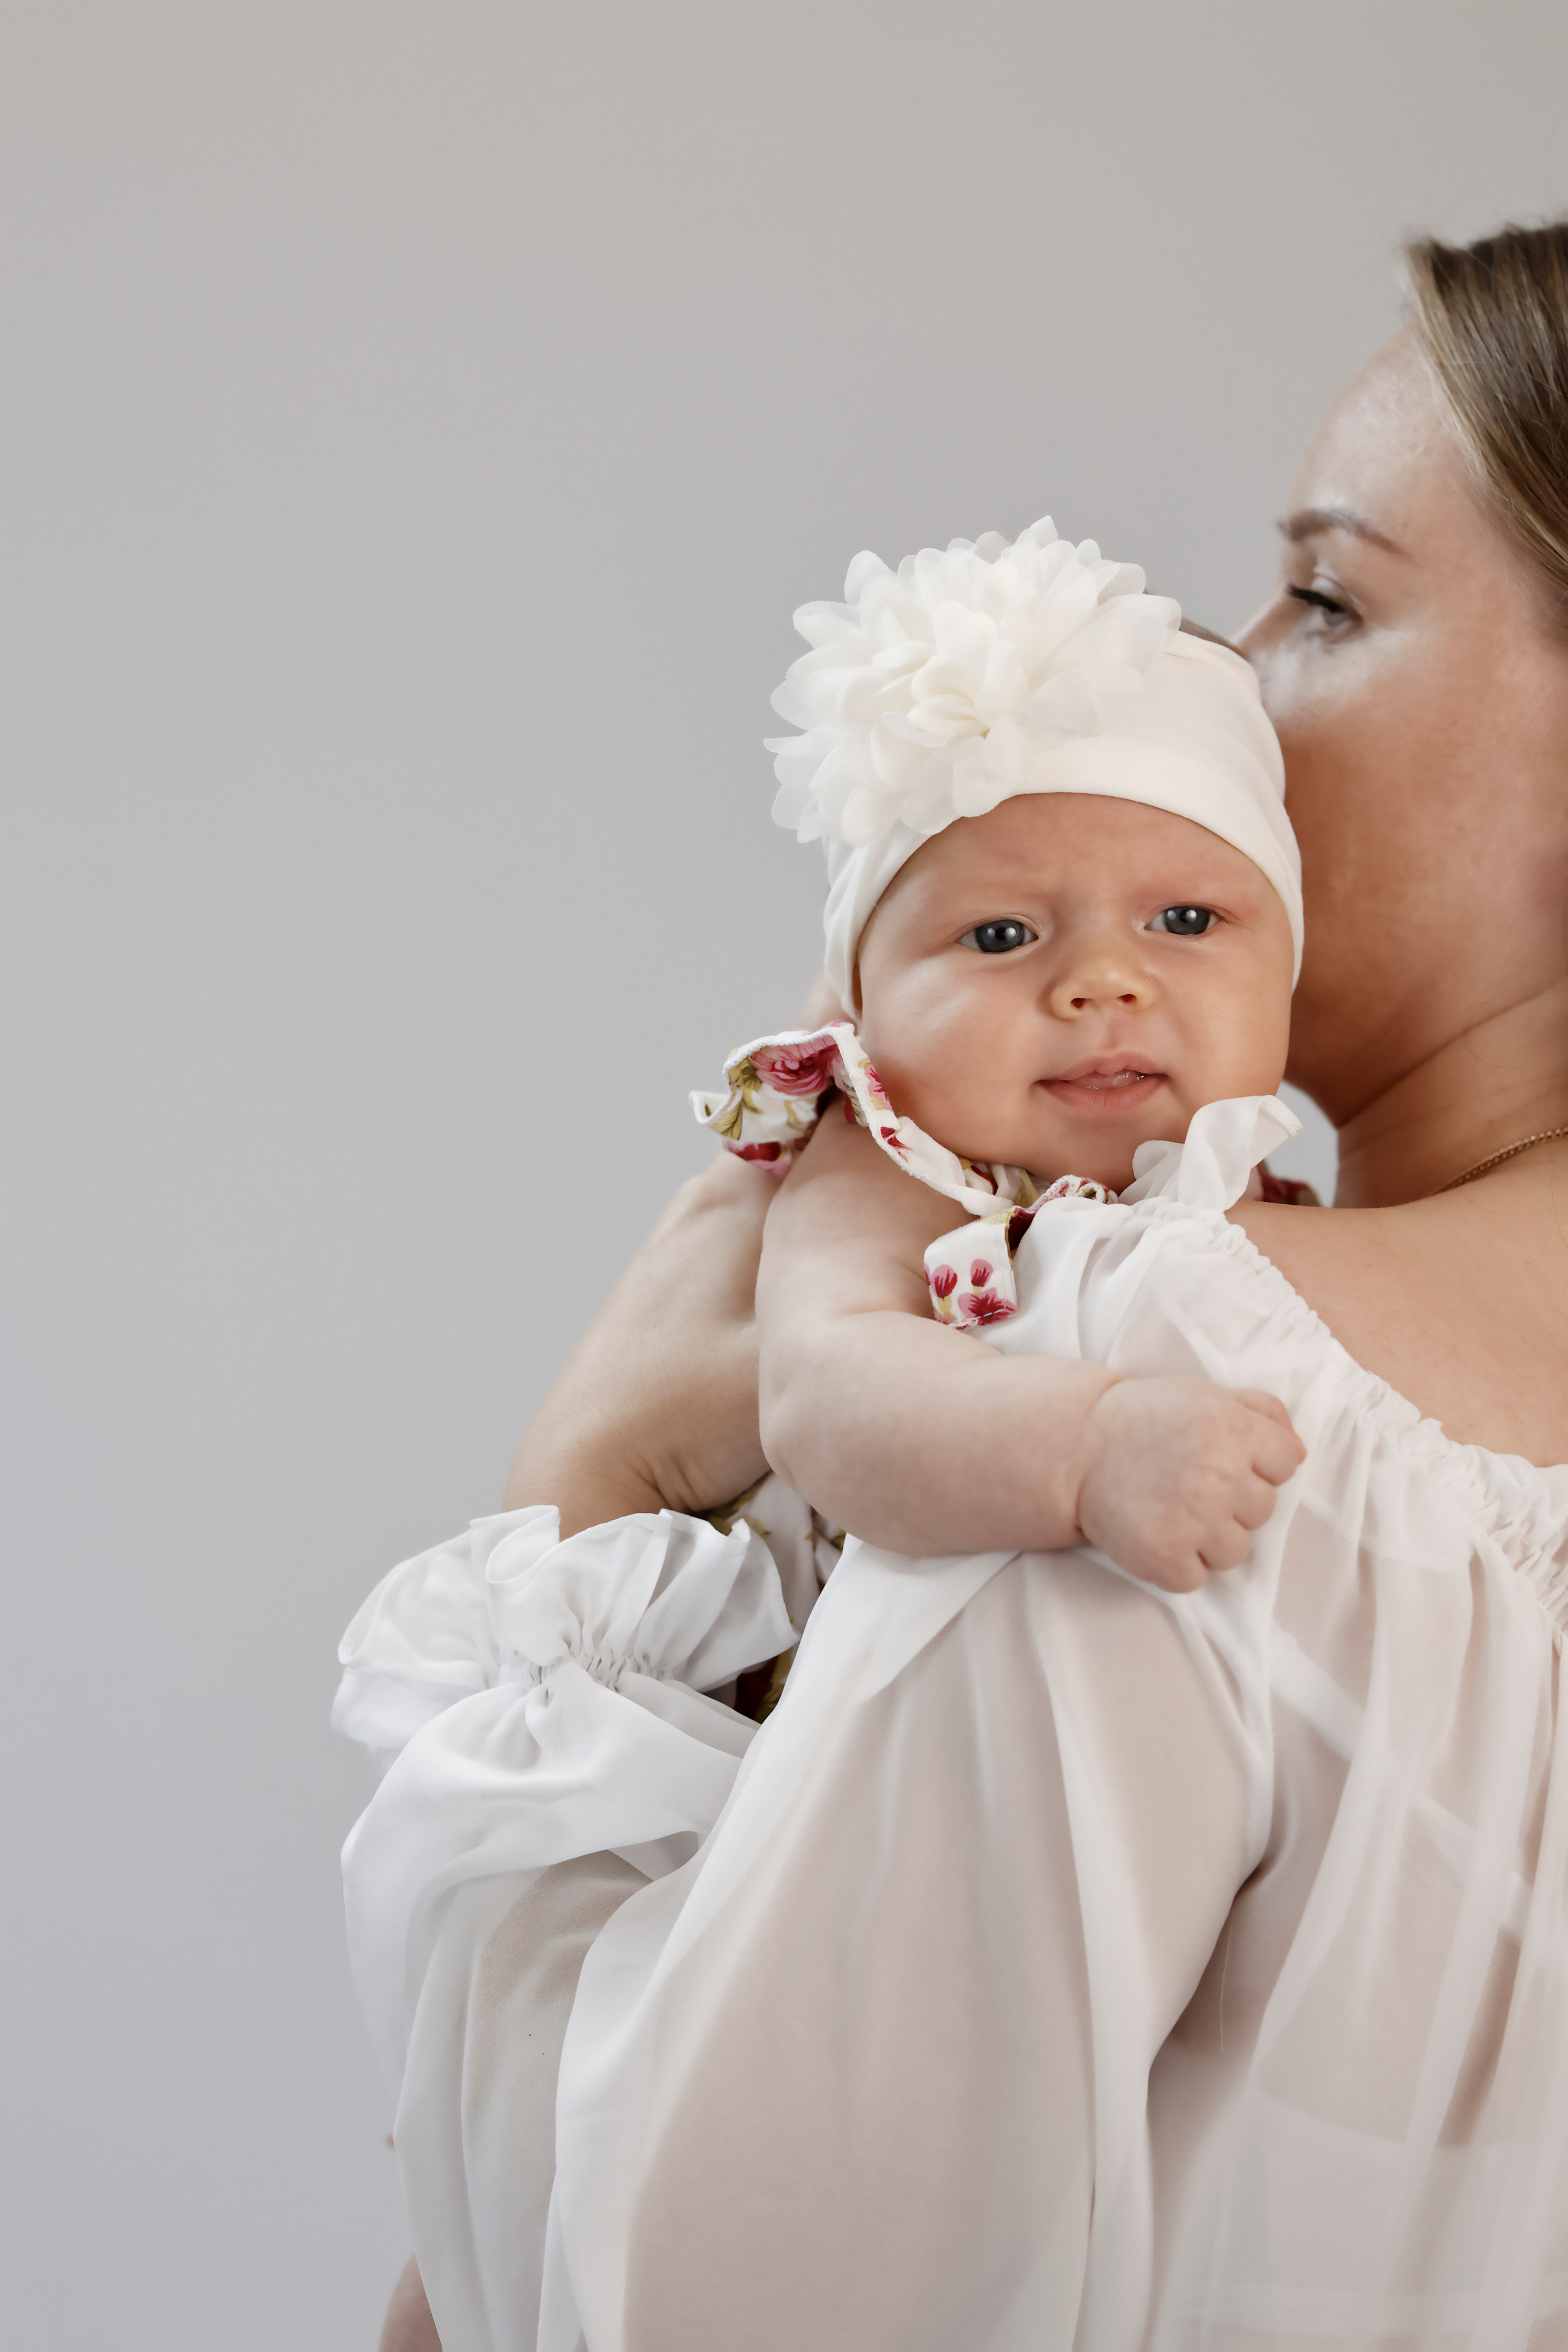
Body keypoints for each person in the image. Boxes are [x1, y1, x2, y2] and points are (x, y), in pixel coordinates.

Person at [370, 221, 1568, 2347]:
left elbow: (680, 2304)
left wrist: (595, 1482)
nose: (1223, 671)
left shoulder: (1154, 1377)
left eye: (1323, 595)